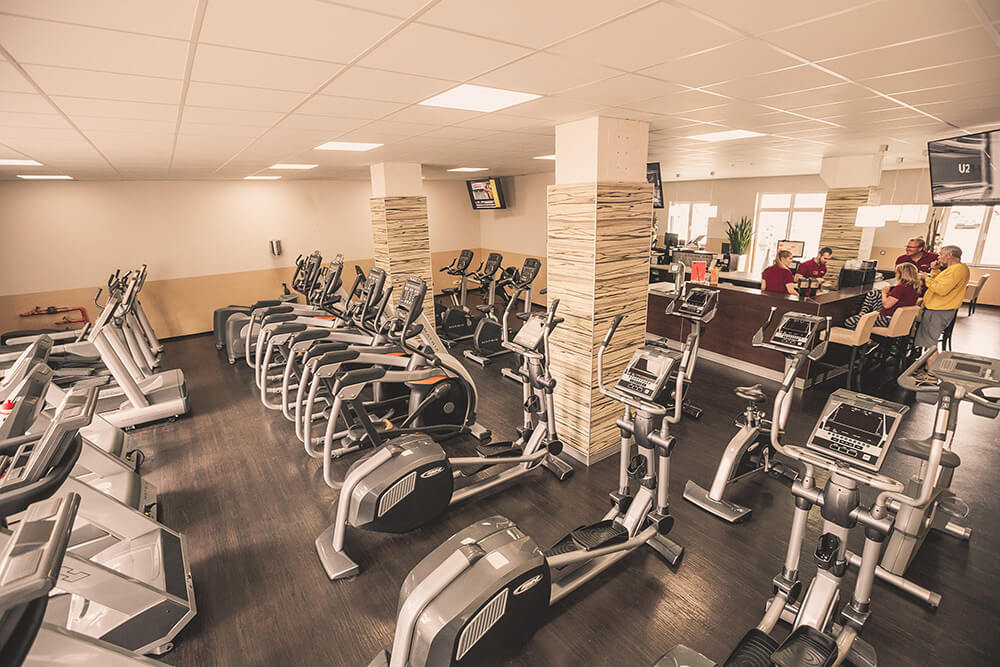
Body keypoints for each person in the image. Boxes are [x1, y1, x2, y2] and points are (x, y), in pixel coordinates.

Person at [913, 245, 971, 381]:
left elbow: (940, 289)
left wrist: (925, 278)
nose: (938, 257)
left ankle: (932, 375)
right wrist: (935, 270)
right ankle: (928, 369)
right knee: (929, 342)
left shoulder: (956, 270)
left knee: (930, 344)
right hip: (939, 309)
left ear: (949, 255)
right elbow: (940, 282)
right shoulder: (954, 269)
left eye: (940, 254)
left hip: (939, 310)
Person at [841, 262, 920, 329]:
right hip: (897, 318)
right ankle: (863, 312)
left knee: (849, 321)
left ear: (902, 274)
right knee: (874, 293)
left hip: (888, 319)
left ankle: (865, 338)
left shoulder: (901, 288)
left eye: (896, 273)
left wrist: (884, 293)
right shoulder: (915, 288)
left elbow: (886, 305)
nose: (895, 275)